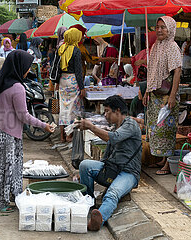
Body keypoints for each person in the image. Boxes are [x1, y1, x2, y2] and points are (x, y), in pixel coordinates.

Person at [0, 50, 53, 212]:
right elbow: (24, 116)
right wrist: (44, 125)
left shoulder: (0, 79)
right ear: (19, 66)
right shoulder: (18, 87)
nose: (28, 70)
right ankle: (5, 200)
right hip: (9, 135)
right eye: (27, 67)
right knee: (10, 168)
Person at [76, 95, 142, 231]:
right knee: (85, 166)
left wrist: (91, 127)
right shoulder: (115, 127)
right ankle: (88, 203)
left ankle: (100, 218)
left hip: (128, 173)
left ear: (117, 111)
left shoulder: (130, 124)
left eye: (107, 111)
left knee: (112, 194)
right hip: (112, 168)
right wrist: (91, 173)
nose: (105, 115)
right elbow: (106, 157)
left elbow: (113, 138)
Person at [142, 16, 182, 175]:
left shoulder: (172, 47)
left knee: (166, 130)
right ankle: (163, 160)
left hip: (166, 97)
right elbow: (152, 72)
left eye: (163, 27)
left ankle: (168, 163)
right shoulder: (156, 46)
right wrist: (146, 91)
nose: (159, 30)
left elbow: (177, 71)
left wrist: (172, 96)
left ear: (170, 29)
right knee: (156, 129)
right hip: (155, 95)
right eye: (158, 27)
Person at [54, 28, 85, 142]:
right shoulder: (76, 51)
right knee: (73, 108)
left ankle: (62, 136)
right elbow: (78, 71)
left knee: (64, 108)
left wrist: (56, 83)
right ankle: (69, 135)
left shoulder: (60, 48)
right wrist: (82, 88)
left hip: (63, 80)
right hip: (73, 81)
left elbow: (57, 68)